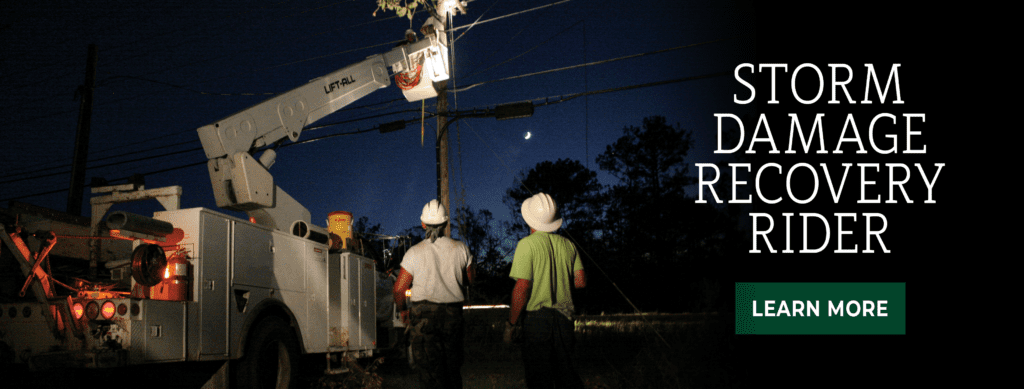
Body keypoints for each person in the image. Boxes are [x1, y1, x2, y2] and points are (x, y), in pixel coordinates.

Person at [507, 192, 586, 389]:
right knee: (566, 377)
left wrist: (511, 323)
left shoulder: (526, 244)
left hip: (537, 321)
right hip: (565, 319)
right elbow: (580, 281)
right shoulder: (568, 244)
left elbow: (522, 287)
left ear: (529, 219)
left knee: (539, 379)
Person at [394, 199, 475, 389]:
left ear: (423, 224)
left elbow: (398, 288)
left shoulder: (414, 252)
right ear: (446, 223)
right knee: (452, 370)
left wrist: (403, 311)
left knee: (429, 372)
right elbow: (471, 279)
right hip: (453, 316)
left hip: (423, 318)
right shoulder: (460, 248)